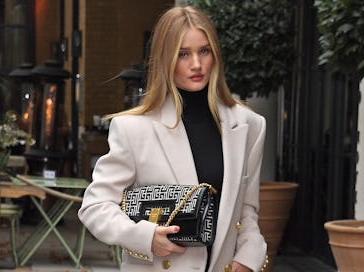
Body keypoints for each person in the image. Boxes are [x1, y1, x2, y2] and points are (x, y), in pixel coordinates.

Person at [78, 6, 267, 272]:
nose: (197, 64)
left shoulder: (249, 126)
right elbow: (95, 206)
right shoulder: (134, 128)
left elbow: (247, 211)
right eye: (183, 54)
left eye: (204, 51)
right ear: (165, 58)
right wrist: (144, 237)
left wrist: (248, 257)